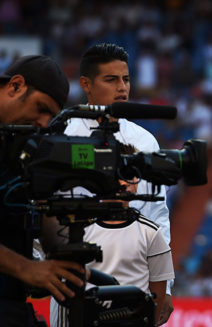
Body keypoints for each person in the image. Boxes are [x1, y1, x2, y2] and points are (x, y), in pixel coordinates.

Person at [61, 43, 174, 321]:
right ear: (86, 84)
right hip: (74, 281)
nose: (122, 87)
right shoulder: (63, 137)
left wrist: (166, 286)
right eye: (111, 80)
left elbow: (157, 216)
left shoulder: (145, 141)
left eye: (126, 79)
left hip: (134, 285)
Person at [0, 55, 85, 326]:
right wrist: (28, 269)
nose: (45, 122)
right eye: (41, 108)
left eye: (52, 116)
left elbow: (38, 213)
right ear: (15, 86)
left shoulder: (23, 146)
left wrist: (63, 254)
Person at [51, 145, 175, 326]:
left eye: (131, 175)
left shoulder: (152, 233)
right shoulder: (77, 231)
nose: (124, 182)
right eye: (118, 174)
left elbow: (155, 301)